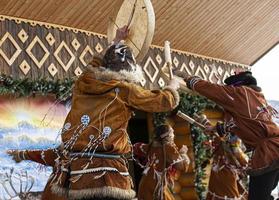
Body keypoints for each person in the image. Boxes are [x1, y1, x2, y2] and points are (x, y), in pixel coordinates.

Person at [7, 26, 181, 200]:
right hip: (107, 177)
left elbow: (93, 65)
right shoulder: (124, 89)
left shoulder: (83, 83)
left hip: (72, 174)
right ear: (129, 73)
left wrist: (116, 41)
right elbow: (163, 102)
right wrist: (172, 87)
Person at [176, 70, 279, 200]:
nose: (228, 90)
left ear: (237, 85)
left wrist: (189, 78)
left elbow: (213, 89)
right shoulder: (259, 98)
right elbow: (243, 124)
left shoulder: (240, 93)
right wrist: (216, 128)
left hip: (269, 153)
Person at [194, 114, 248, 200]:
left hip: (227, 175)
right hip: (222, 174)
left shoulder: (232, 142)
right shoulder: (223, 139)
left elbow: (242, 161)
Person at [133, 124, 190, 200]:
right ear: (167, 135)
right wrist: (183, 154)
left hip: (144, 183)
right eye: (172, 132)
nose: (173, 135)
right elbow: (181, 166)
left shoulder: (150, 146)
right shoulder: (168, 148)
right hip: (157, 186)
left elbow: (135, 147)